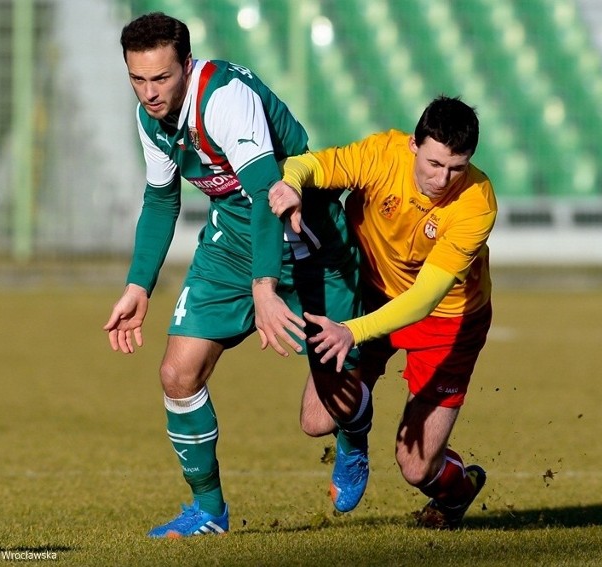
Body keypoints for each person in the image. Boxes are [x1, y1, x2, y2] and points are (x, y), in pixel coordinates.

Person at [103, 12, 371, 538]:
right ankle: (209, 511)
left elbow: (269, 196)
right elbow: (161, 200)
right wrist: (139, 285)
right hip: (230, 243)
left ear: (186, 65)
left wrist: (265, 286)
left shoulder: (225, 98)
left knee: (326, 410)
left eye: (161, 78)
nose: (150, 93)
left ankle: (354, 437)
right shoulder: (149, 119)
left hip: (307, 240)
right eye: (138, 79)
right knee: (177, 374)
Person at [269, 95, 497, 529]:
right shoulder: (381, 155)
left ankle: (457, 492)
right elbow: (309, 165)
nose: (443, 178)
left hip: (447, 320)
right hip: (370, 295)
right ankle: (354, 440)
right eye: (433, 163)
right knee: (317, 420)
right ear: (413, 145)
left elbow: (424, 299)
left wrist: (351, 332)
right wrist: (293, 185)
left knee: (416, 468)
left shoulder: (477, 202)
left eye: (456, 167)